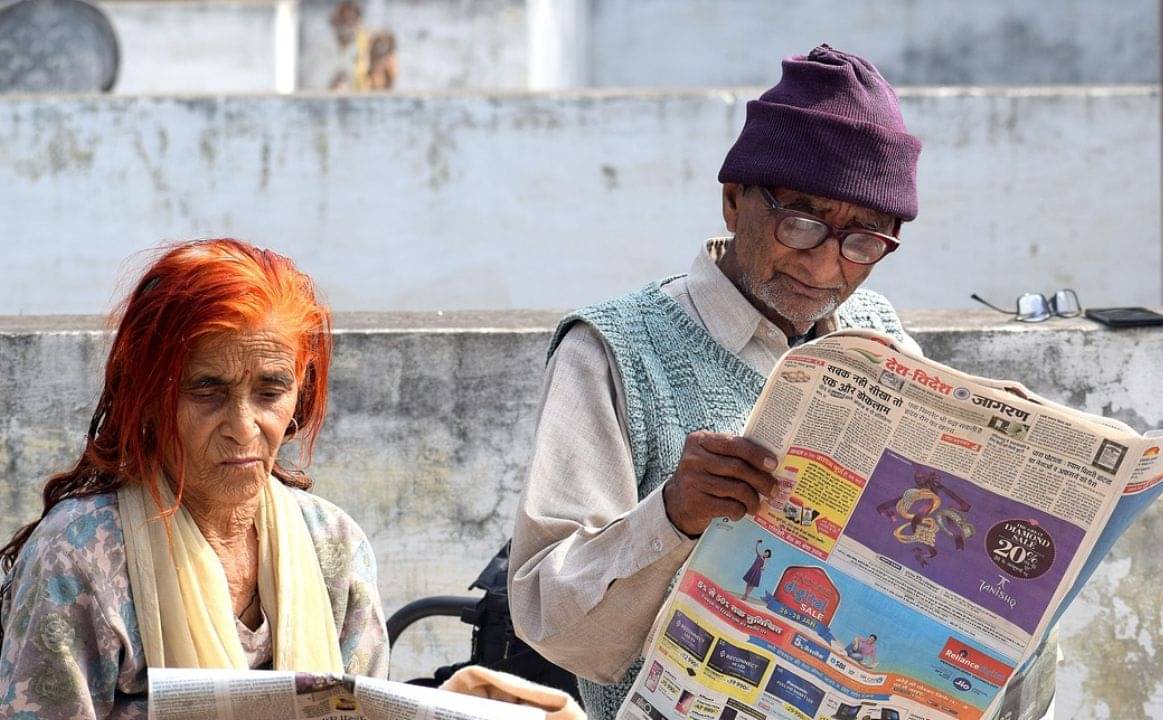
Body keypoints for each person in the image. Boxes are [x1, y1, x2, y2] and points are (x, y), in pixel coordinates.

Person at [508, 45, 1058, 720]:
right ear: (735, 201)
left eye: (863, 241)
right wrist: (674, 514)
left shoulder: (874, 334)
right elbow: (550, 622)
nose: (827, 268)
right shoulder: (612, 351)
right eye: (802, 224)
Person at [0, 239, 389, 718]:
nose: (243, 428)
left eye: (270, 391)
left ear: (300, 392)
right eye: (207, 390)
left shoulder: (334, 547)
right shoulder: (84, 556)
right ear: (147, 395)